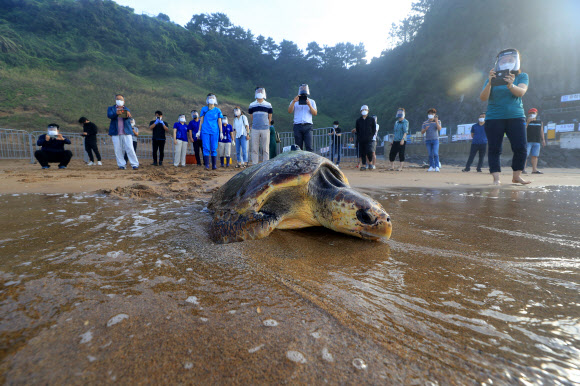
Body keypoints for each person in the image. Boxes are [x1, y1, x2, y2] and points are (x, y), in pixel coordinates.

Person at [480, 48, 530, 185]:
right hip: (494, 117)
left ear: (516, 62)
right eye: (503, 60)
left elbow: (521, 92)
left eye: (510, 60)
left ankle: (517, 176)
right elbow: (483, 97)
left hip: (516, 116)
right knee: (495, 148)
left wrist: (510, 85)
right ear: (498, 63)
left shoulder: (522, 76)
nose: (507, 62)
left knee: (520, 147)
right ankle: (496, 178)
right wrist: (490, 83)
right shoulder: (492, 78)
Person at [107, 94, 139, 170]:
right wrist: (116, 113)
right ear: (115, 100)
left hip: (126, 131)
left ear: (124, 101)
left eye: (121, 99)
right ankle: (121, 165)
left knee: (130, 148)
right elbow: (109, 115)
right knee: (117, 149)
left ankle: (134, 164)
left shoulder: (127, 109)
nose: (119, 101)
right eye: (118, 99)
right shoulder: (111, 108)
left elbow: (128, 120)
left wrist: (128, 116)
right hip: (116, 132)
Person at [288, 84, 317, 152]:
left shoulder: (312, 101)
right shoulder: (294, 101)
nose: (303, 90)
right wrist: (294, 101)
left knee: (309, 147)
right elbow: (289, 111)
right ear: (299, 90)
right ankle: (299, 162)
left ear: (307, 90)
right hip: (297, 125)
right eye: (301, 88)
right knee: (298, 147)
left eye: (305, 88)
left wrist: (309, 105)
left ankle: (309, 162)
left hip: (308, 126)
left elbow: (315, 113)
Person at [198, 93, 223, 170]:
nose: (211, 99)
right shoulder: (204, 109)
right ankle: (206, 165)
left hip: (215, 131)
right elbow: (201, 120)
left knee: (214, 148)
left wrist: (221, 132)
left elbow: (219, 121)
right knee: (206, 148)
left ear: (215, 99)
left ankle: (214, 165)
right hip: (205, 130)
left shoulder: (217, 110)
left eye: (212, 98)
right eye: (209, 98)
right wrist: (199, 131)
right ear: (207, 100)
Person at [248, 87, 273, 164]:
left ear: (264, 93)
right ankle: (255, 164)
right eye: (258, 91)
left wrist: (268, 125)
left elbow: (270, 116)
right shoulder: (252, 105)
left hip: (265, 129)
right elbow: (251, 116)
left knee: (265, 148)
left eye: (261, 91)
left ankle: (265, 164)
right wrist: (255, 123)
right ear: (255, 93)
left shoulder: (268, 105)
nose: (259, 92)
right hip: (255, 129)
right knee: (254, 148)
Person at [354, 105, 376, 171]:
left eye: (365, 110)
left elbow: (373, 129)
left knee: (369, 151)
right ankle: (363, 165)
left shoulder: (371, 120)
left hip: (369, 139)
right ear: (360, 111)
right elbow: (357, 130)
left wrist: (371, 136)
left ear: (368, 111)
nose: (364, 111)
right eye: (363, 110)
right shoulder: (358, 120)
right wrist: (359, 137)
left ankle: (370, 164)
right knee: (362, 152)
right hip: (361, 139)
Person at [524, 108, 545, 174]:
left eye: (533, 113)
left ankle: (534, 170)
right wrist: (527, 122)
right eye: (531, 113)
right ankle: (523, 169)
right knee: (525, 156)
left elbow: (541, 131)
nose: (532, 114)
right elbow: (523, 130)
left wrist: (543, 140)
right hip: (528, 141)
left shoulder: (540, 122)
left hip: (537, 141)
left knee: (535, 156)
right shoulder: (525, 121)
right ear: (528, 114)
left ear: (536, 114)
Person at [421, 108, 441, 172]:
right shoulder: (425, 123)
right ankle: (431, 166)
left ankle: (437, 166)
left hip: (435, 140)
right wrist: (425, 129)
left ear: (434, 114)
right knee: (430, 154)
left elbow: (439, 129)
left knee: (435, 153)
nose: (430, 115)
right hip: (428, 140)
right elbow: (422, 132)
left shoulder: (438, 121)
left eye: (432, 114)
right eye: (429, 114)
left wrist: (436, 121)